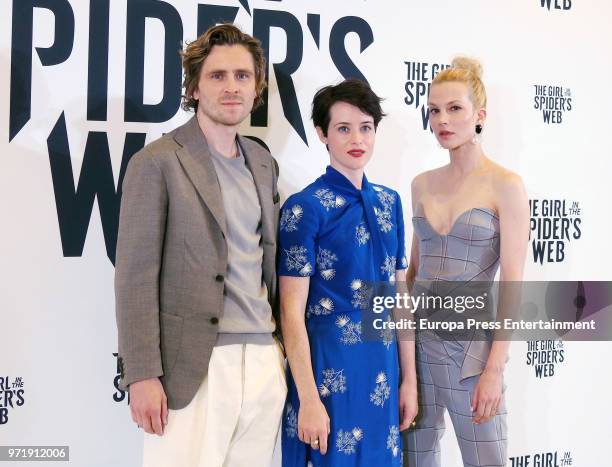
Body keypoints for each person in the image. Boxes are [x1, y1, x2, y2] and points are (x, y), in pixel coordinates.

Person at [114, 24, 285, 467]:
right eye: (218, 76)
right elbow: (134, 277)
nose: (232, 87)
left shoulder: (263, 162)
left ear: (257, 87)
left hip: (263, 361)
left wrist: (279, 352)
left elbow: (267, 261)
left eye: (243, 76)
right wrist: (142, 374)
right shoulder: (157, 162)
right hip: (193, 366)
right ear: (193, 86)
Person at [279, 79, 418, 466]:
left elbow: (399, 300)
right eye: (343, 128)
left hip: (382, 367)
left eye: (366, 127)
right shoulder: (304, 208)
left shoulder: (390, 202)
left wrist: (409, 380)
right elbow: (290, 312)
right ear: (323, 134)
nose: (356, 138)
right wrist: (308, 397)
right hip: (328, 369)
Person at [404, 57, 529, 467]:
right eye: (435, 110)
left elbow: (513, 282)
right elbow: (413, 274)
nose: (443, 119)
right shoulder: (420, 184)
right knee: (416, 460)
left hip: (471, 355)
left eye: (454, 108)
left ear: (480, 115)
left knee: (486, 460)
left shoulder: (506, 185)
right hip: (417, 350)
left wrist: (494, 369)